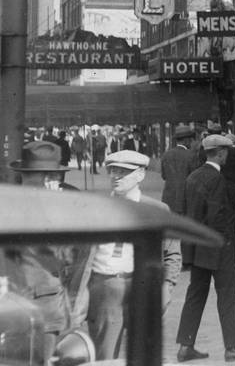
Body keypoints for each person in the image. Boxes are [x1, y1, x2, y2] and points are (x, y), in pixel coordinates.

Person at [86, 150, 181, 360]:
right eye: (112, 171)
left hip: (143, 288)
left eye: (124, 172)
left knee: (146, 355)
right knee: (105, 356)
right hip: (106, 288)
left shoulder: (157, 210)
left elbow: (172, 253)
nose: (115, 176)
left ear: (140, 174)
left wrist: (167, 286)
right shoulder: (95, 209)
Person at [175, 134, 235, 362]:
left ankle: (186, 345)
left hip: (197, 247)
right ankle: (233, 346)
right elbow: (218, 216)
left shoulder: (192, 177)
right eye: (226, 152)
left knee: (195, 294)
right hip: (218, 247)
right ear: (222, 153)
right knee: (228, 294)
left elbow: (187, 215)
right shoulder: (218, 180)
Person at [7, 140, 90, 361]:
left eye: (53, 176)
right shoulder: (7, 204)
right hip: (10, 305)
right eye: (26, 177)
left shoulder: (65, 209)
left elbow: (68, 258)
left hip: (46, 307)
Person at [162, 124, 201, 215]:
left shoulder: (166, 155)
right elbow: (195, 179)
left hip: (168, 199)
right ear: (186, 140)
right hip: (185, 200)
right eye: (190, 140)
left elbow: (164, 176)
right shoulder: (191, 156)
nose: (191, 142)